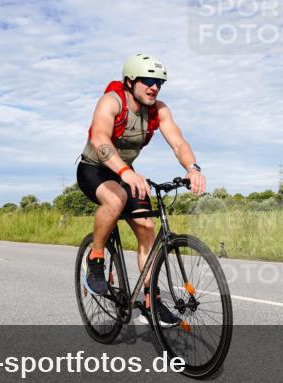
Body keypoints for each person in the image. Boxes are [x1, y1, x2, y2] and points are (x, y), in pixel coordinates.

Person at [77, 54, 206, 327]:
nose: (154, 87)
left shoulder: (159, 110)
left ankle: (151, 300)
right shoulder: (112, 102)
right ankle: (97, 257)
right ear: (129, 81)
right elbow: (99, 137)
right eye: (147, 81)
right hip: (94, 168)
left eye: (159, 82)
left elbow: (178, 142)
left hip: (126, 172)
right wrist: (124, 171)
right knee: (116, 199)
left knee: (147, 227)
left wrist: (193, 168)